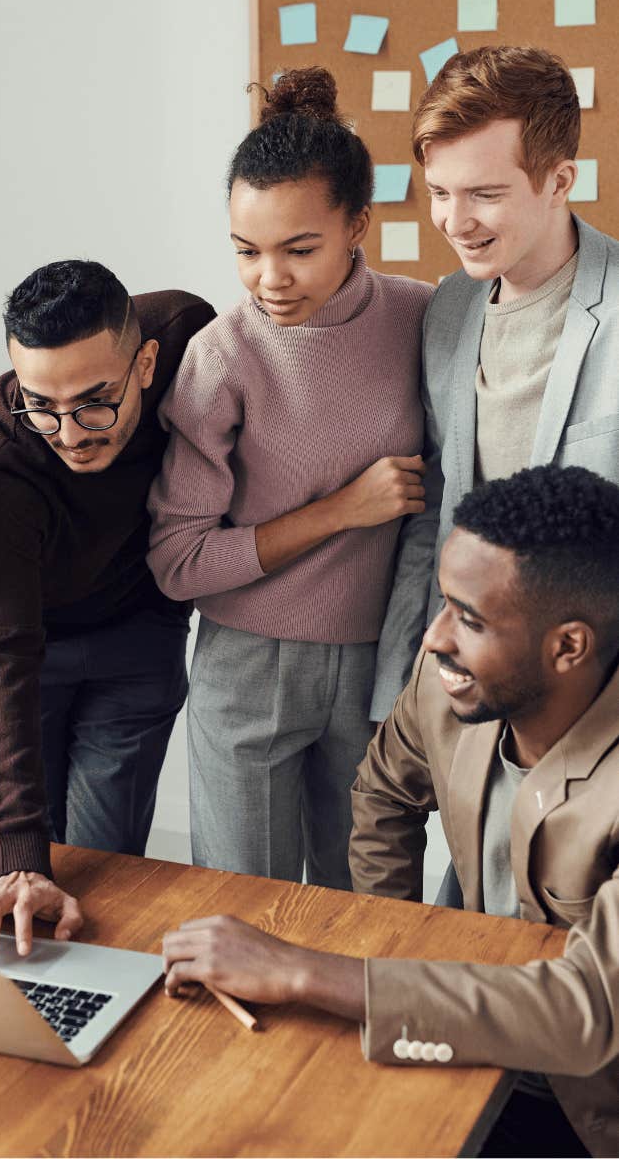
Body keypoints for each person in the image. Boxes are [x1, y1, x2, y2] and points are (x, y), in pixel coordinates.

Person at [163, 464, 619, 1159]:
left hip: (590, 1112)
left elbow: (586, 1011)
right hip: (458, 1051)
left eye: (469, 619)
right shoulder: (453, 683)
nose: (433, 637)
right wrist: (392, 964)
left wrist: (306, 972)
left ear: (568, 646)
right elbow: (383, 793)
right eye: (443, 603)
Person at [147, 67, 433, 889]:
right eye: (246, 251)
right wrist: (343, 510)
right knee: (245, 911)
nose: (269, 278)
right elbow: (178, 562)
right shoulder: (223, 353)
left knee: (367, 907)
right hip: (247, 662)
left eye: (298, 249)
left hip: (380, 660)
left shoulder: (423, 317)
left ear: (359, 227)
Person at [0, 261, 214, 956]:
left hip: (137, 633)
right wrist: (17, 862)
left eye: (96, 402)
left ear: (147, 362)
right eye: (42, 404)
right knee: (24, 874)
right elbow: (3, 650)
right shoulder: (2, 450)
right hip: (20, 641)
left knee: (104, 874)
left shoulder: (188, 334)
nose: (68, 432)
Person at [373, 44, 619, 721]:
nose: (455, 221)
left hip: (598, 695)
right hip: (469, 690)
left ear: (559, 180)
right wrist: (405, 684)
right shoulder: (447, 308)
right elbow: (438, 504)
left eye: (484, 194)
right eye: (441, 193)